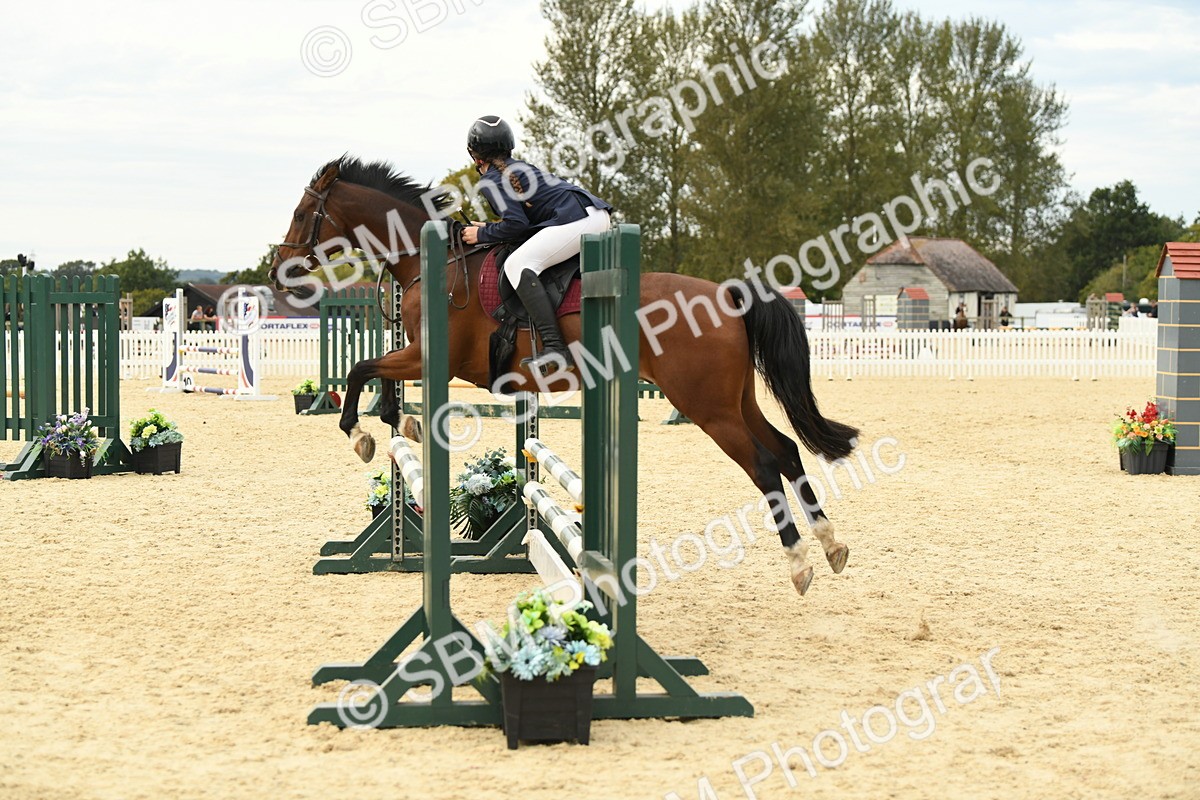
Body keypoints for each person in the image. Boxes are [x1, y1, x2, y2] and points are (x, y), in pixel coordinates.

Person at [460, 115, 613, 373]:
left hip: (579, 220)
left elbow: (516, 225)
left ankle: (555, 347)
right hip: (590, 215)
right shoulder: (515, 168)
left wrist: (482, 236)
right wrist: (488, 228)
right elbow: (524, 223)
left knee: (517, 264)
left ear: (476, 158)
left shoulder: (491, 179)